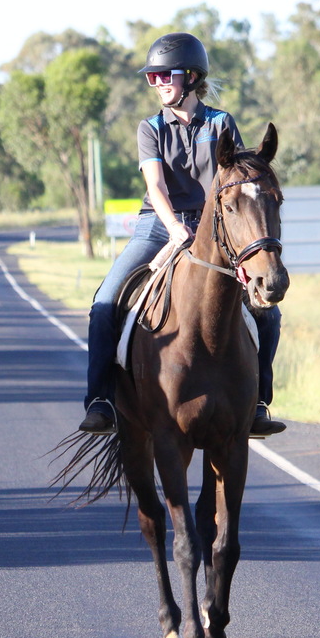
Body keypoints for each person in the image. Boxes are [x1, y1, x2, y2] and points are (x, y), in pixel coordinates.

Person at [78, 32, 285, 438]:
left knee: (269, 314)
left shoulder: (221, 123)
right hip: (159, 225)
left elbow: (236, 180)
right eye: (152, 77)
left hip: (214, 228)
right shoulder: (150, 128)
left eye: (164, 75)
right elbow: (155, 187)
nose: (157, 83)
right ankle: (100, 400)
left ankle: (258, 403)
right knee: (104, 303)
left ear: (191, 77)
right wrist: (174, 227)